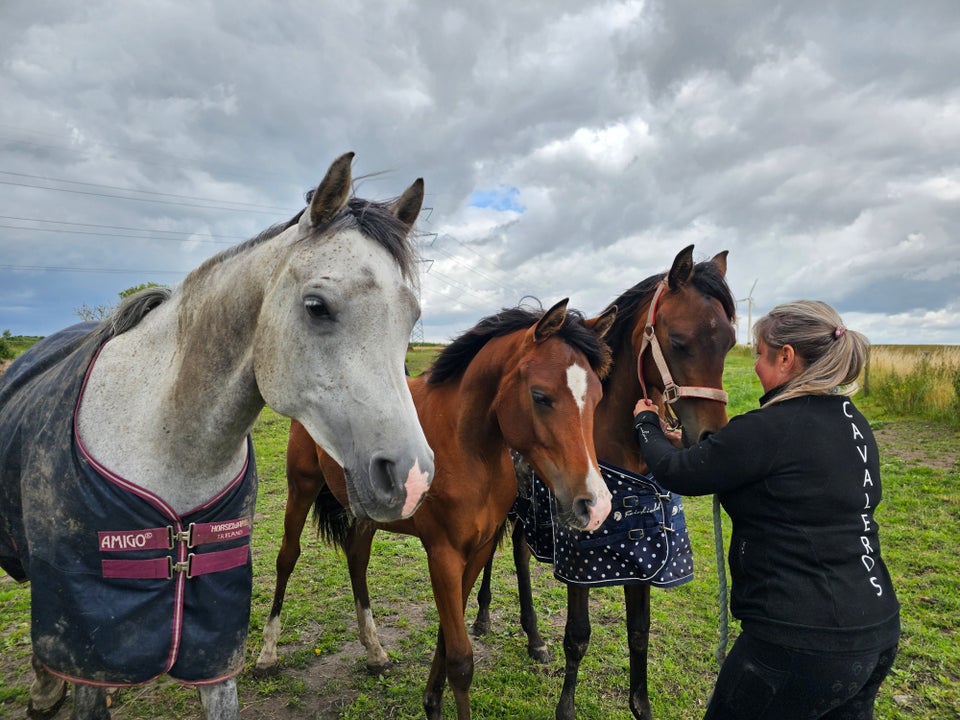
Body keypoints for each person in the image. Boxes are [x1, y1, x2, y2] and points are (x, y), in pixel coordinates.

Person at [633, 300, 899, 720]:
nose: (756, 364)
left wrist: (646, 424)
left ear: (786, 357)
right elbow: (754, 463)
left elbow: (678, 474)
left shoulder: (769, 428)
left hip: (797, 645)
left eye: (759, 353)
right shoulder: (853, 421)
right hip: (877, 633)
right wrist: (684, 440)